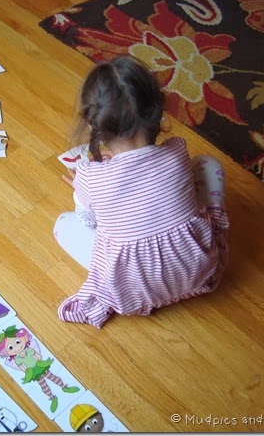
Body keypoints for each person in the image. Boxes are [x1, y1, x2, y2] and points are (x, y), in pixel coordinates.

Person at [54, 55, 229, 329]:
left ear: (91, 124)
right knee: (208, 164)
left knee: (63, 225)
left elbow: (88, 221)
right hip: (198, 271)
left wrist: (82, 189)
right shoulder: (177, 151)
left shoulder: (89, 175)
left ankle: (136, 276)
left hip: (132, 292)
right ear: (157, 111)